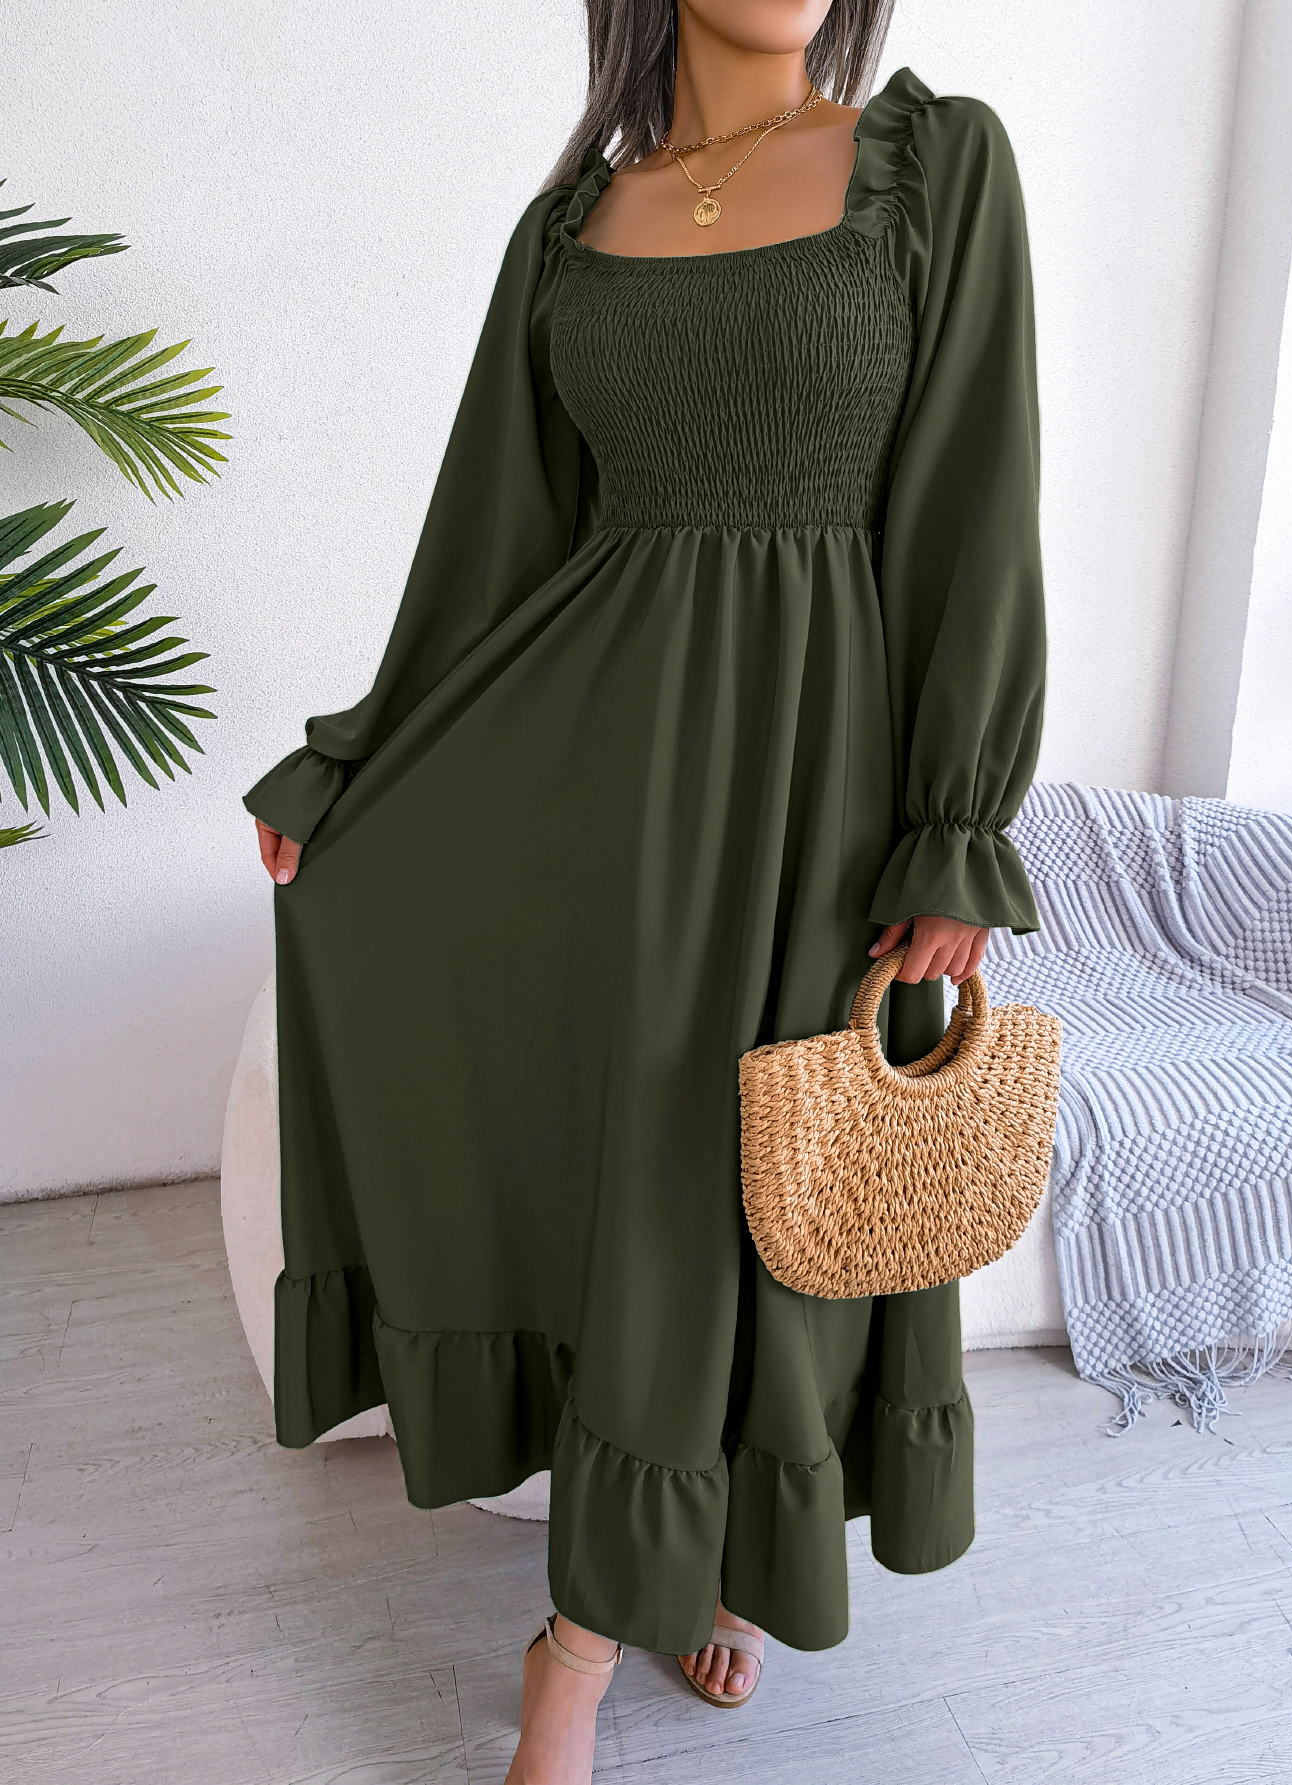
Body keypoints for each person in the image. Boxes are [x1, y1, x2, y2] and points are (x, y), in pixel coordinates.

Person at [244, 2, 1046, 1779]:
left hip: (823, 804)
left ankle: (674, 1580)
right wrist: (359, 768)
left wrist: (955, 827)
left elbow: (977, 509)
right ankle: (585, 1636)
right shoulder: (571, 231)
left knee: (754, 1208)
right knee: (653, 1203)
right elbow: (489, 547)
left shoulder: (935, 170)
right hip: (606, 794)